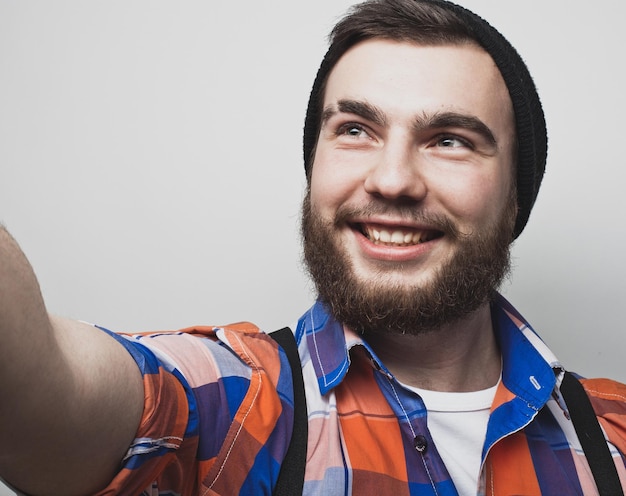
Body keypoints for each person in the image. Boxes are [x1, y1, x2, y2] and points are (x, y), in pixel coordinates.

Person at [1, 0, 625, 495]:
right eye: (355, 130)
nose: (391, 180)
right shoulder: (236, 405)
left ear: (515, 194)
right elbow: (42, 392)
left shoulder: (614, 441)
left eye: (450, 140)